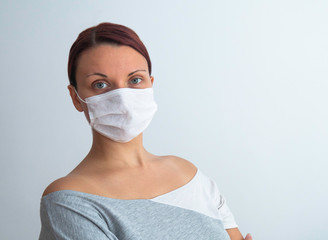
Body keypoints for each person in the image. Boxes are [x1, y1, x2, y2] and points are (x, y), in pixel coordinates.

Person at [39, 22, 252, 240]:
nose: (122, 97)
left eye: (135, 80)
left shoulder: (190, 174)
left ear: (151, 84)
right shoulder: (69, 201)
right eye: (100, 84)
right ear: (76, 97)